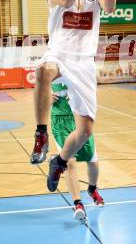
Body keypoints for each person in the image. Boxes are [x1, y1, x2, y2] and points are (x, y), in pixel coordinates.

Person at [30, 0, 117, 194]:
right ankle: (41, 133)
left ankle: (58, 161)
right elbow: (67, 0)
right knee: (43, 71)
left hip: (84, 62)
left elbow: (109, 7)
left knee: (85, 131)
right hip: (59, 53)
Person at [50, 80, 104, 222]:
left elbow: (93, 89)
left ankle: (92, 190)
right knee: (69, 162)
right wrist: (47, 98)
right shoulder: (51, 65)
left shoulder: (81, 66)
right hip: (60, 120)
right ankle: (78, 204)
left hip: (80, 118)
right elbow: (40, 90)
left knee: (92, 160)